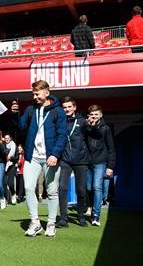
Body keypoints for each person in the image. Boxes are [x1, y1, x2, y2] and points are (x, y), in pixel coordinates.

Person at [11, 80, 67, 237]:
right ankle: (35, 222)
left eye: (37, 93)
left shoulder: (58, 112)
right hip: (32, 157)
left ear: (46, 93)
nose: (34, 96)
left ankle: (51, 223)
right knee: (29, 187)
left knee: (51, 191)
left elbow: (62, 135)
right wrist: (15, 114)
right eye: (33, 94)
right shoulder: (30, 109)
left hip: (50, 157)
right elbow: (21, 127)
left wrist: (55, 154)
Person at [56, 97, 92, 228]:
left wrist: (93, 125)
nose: (67, 109)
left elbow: (93, 134)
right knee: (62, 188)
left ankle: (80, 215)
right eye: (64, 107)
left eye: (69, 107)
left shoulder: (82, 121)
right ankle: (63, 218)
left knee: (81, 190)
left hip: (81, 161)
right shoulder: (60, 122)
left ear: (74, 107)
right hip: (65, 160)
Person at [85, 105, 116, 226]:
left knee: (97, 187)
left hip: (100, 162)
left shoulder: (106, 129)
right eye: (92, 115)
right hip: (87, 162)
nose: (94, 117)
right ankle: (90, 207)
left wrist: (110, 166)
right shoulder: (85, 128)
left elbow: (111, 148)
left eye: (96, 114)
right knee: (88, 187)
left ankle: (96, 215)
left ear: (101, 115)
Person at [4, 134, 17, 205]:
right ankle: (5, 199)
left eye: (8, 138)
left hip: (11, 165)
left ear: (10, 138)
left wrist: (10, 158)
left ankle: (13, 194)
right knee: (4, 183)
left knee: (10, 183)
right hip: (4, 165)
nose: (7, 139)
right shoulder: (3, 145)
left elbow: (16, 157)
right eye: (5, 138)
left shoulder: (13, 145)